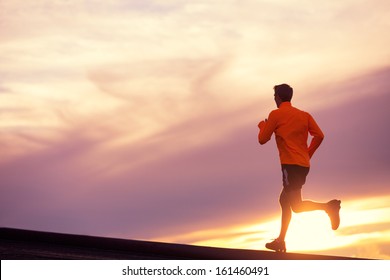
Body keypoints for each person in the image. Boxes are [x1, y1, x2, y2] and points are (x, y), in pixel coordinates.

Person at [257, 84, 341, 252]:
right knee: (284, 200)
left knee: (296, 206)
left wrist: (262, 126)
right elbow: (320, 135)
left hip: (290, 166)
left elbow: (262, 139)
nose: (274, 99)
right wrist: (308, 153)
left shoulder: (275, 114)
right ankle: (281, 241)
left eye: (275, 96)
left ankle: (329, 207)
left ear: (278, 98)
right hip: (303, 165)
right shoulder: (304, 115)